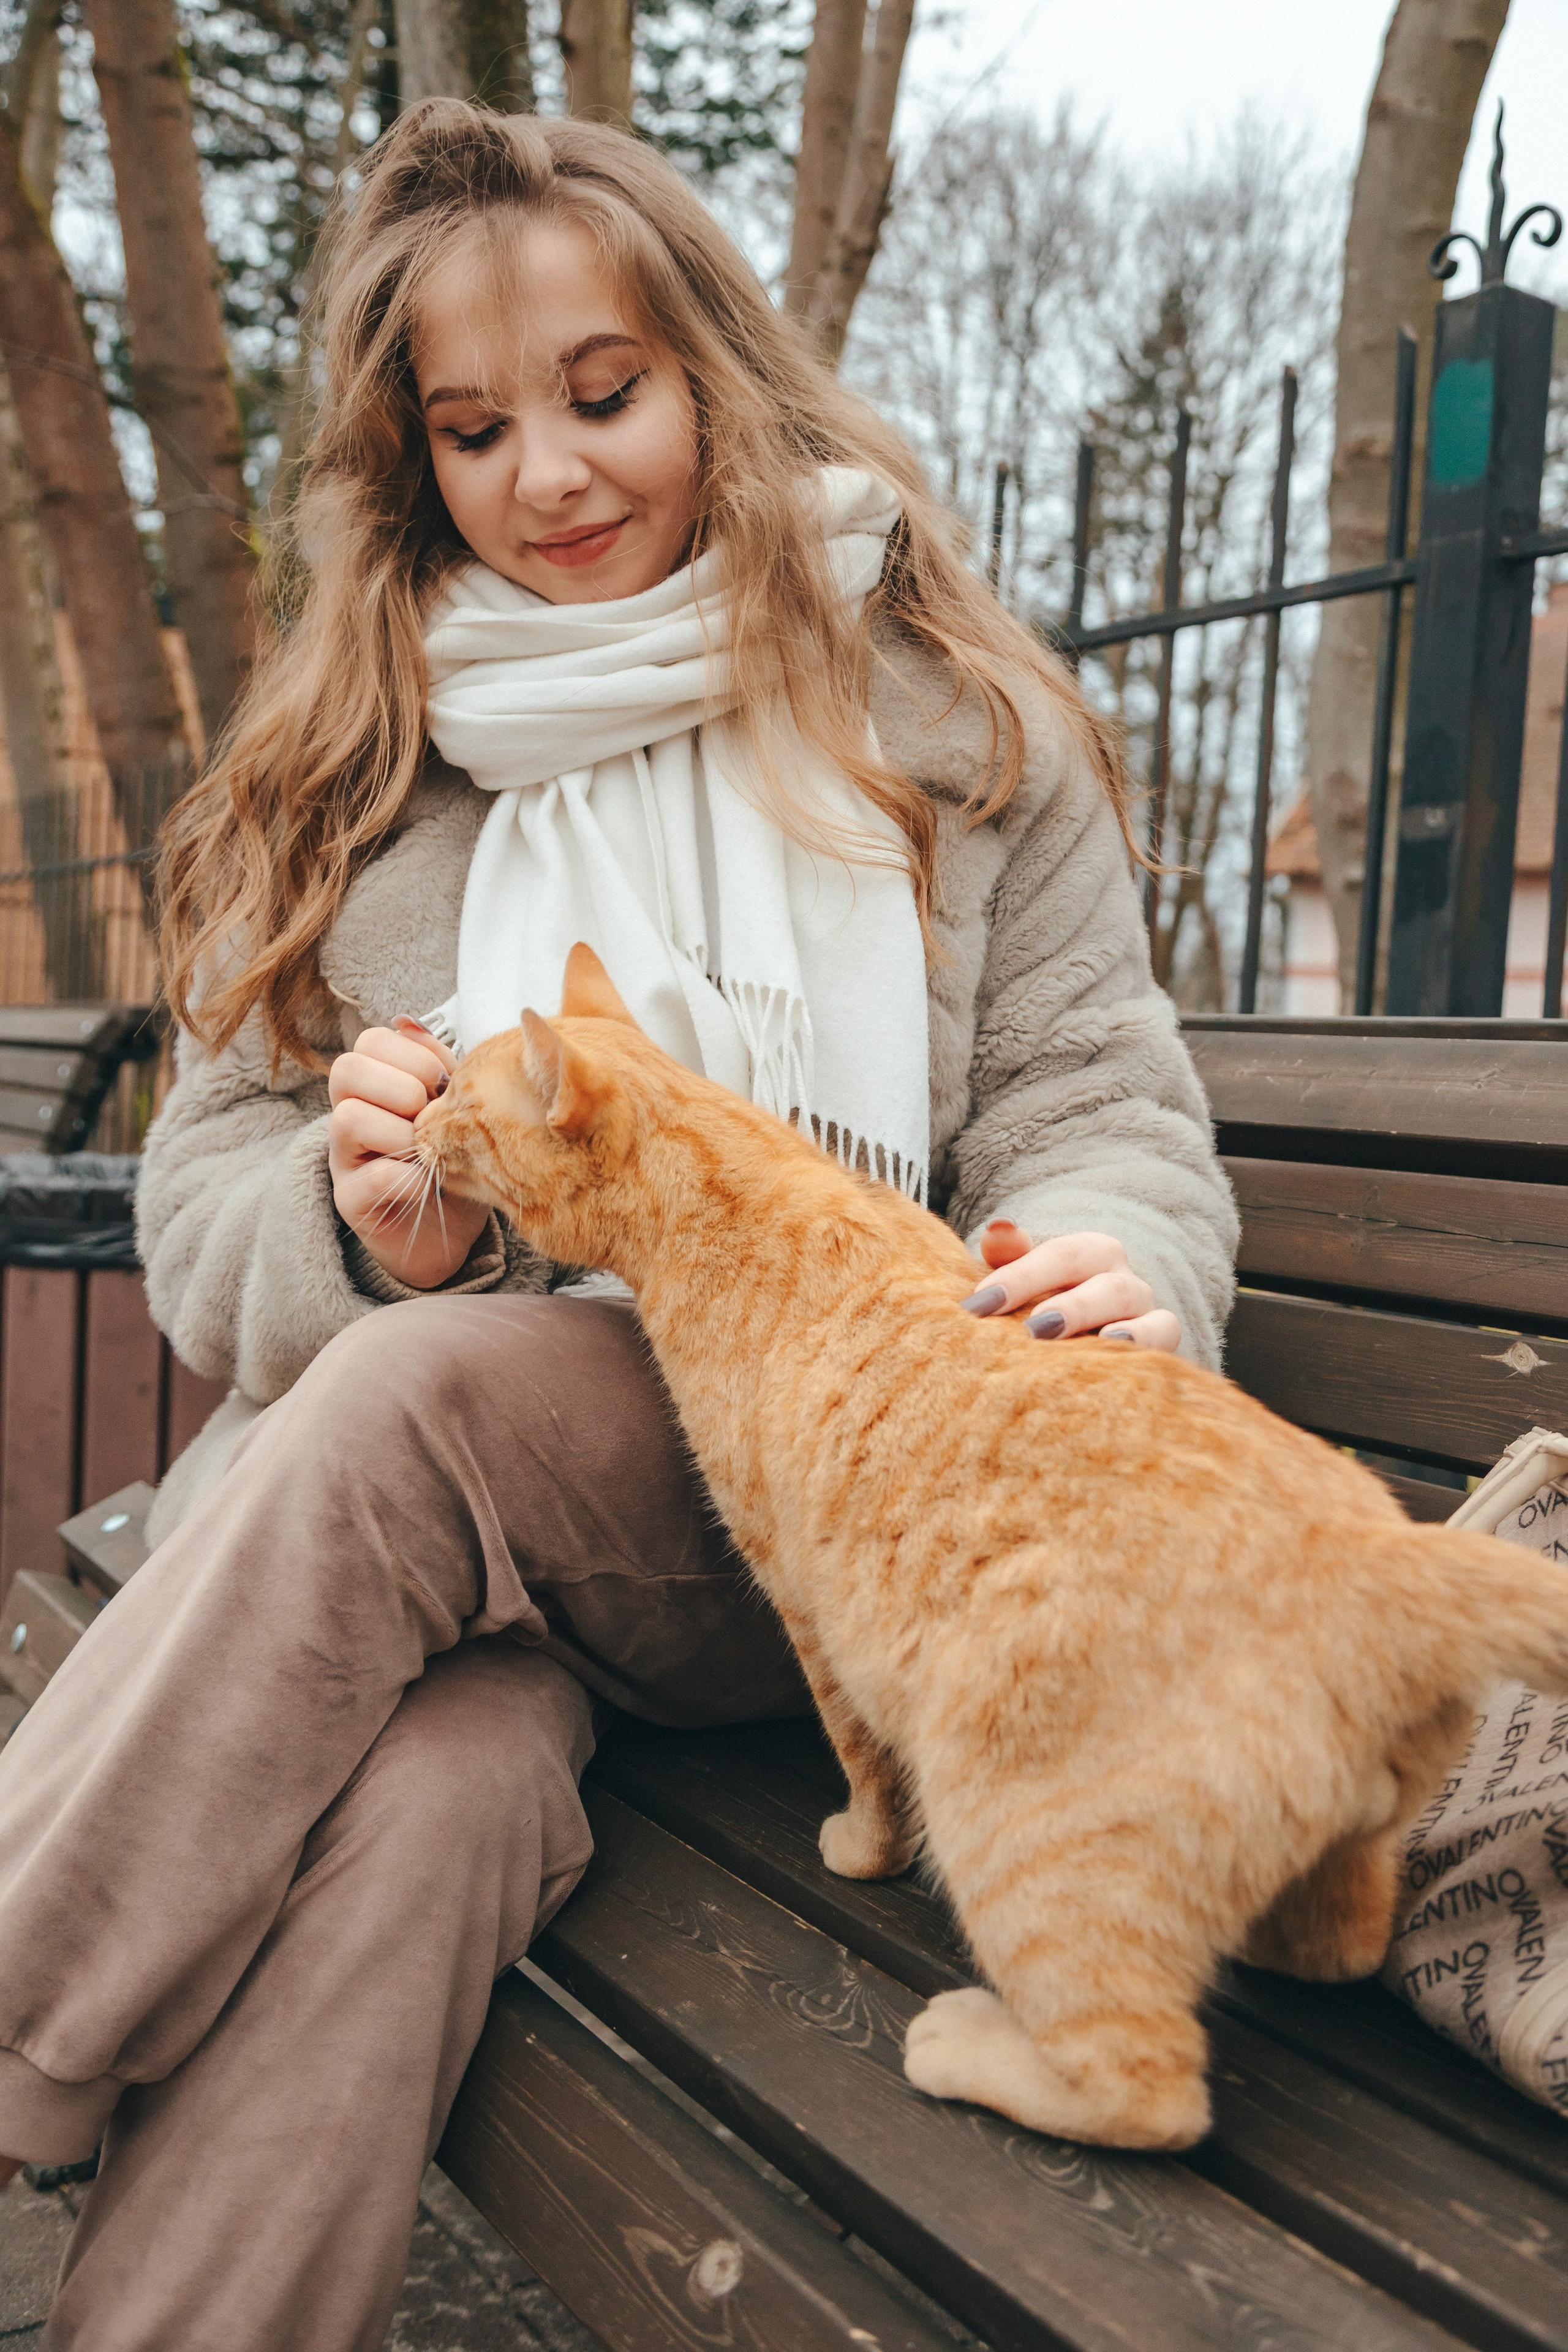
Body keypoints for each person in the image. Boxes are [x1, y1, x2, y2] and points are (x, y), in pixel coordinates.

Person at [0, 100, 1237, 2351]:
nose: (551, 478)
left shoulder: (948, 733)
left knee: (418, 1400)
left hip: (838, 1513)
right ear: (411, 464)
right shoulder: (349, 784)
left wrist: (1106, 1246)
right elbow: (200, 1207)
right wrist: (368, 1223)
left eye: (605, 396)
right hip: (466, 1589)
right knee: (446, 1792)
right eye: (475, 432)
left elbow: (1092, 1095)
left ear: (716, 378)